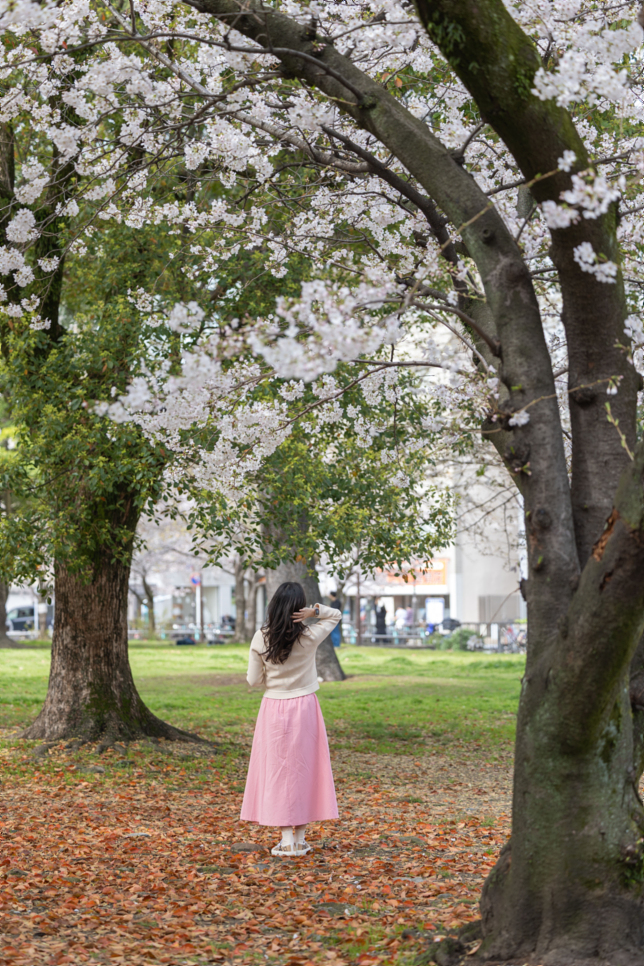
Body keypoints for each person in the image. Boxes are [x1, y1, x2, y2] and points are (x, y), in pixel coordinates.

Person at [240, 581, 342, 857]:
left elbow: (252, 680)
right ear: (300, 608)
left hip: (273, 707)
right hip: (305, 706)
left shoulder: (261, 637)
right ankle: (300, 838)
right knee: (303, 768)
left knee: (277, 771)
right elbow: (336, 615)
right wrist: (314, 611)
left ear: (273, 606)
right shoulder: (309, 635)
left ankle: (286, 839)